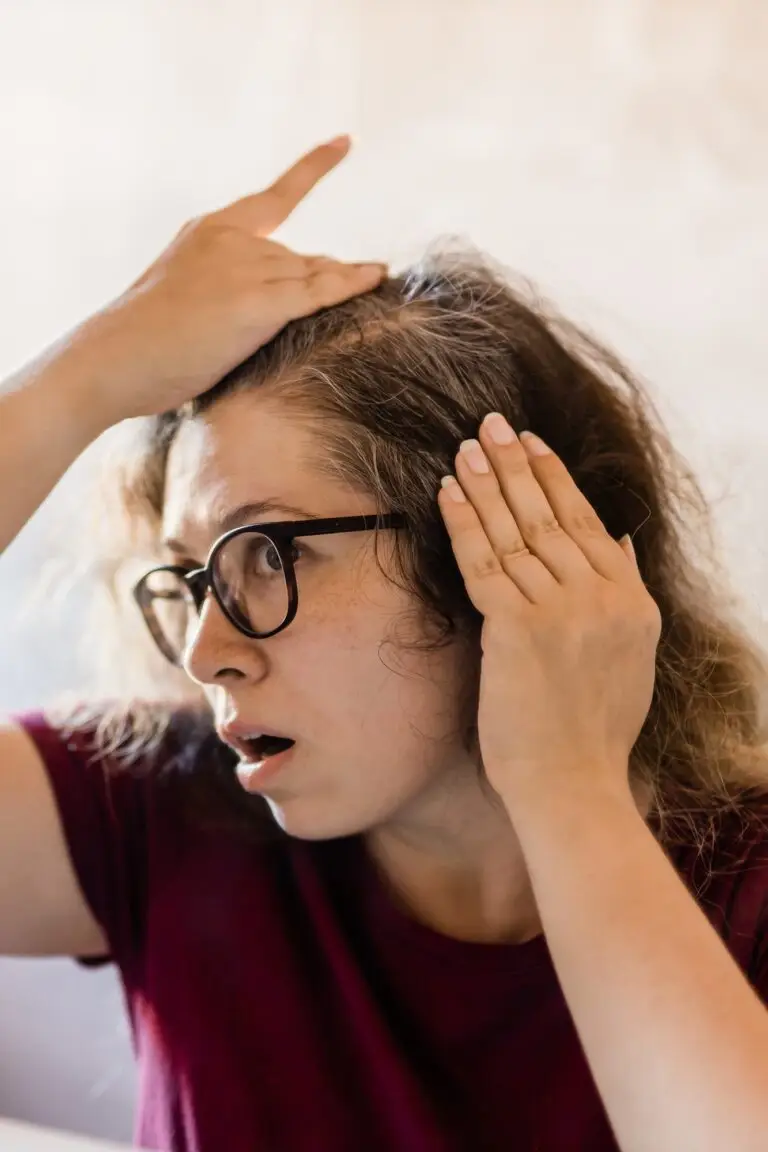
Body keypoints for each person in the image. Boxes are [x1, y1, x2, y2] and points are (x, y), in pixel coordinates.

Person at [2, 135, 768, 1152]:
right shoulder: (160, 806)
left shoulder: (747, 882)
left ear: (507, 555)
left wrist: (569, 790)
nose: (204, 650)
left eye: (267, 553)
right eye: (191, 579)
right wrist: (82, 376)